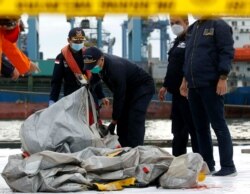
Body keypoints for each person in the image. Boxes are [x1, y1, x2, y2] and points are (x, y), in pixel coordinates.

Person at [180, 16, 237, 176]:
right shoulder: (192, 29)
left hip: (211, 83)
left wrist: (223, 77)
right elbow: (188, 57)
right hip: (193, 85)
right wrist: (185, 80)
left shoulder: (219, 25)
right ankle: (208, 165)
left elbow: (226, 51)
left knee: (218, 125)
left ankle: (228, 166)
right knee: (201, 128)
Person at [82, 47, 155, 148]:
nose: (92, 69)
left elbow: (119, 96)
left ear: (101, 59)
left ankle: (137, 149)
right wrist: (87, 89)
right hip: (128, 89)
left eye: (93, 66)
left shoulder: (115, 69)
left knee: (134, 117)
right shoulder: (98, 66)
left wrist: (113, 121)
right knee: (122, 119)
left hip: (142, 87)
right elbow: (95, 79)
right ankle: (124, 147)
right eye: (89, 67)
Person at [49, 27, 109, 127]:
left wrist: (102, 96)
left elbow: (95, 78)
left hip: (90, 97)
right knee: (72, 126)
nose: (79, 42)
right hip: (71, 98)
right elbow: (56, 81)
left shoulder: (89, 55)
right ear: (68, 40)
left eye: (81, 40)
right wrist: (52, 100)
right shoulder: (60, 58)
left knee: (94, 124)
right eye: (76, 40)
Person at [158, 15, 199, 157]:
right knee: (178, 130)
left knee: (193, 128)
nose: (174, 25)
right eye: (171, 23)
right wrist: (165, 85)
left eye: (177, 22)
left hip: (188, 92)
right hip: (176, 93)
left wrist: (185, 81)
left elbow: (191, 63)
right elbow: (172, 67)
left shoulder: (192, 40)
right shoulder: (176, 42)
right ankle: (178, 160)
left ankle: (199, 160)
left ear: (186, 22)